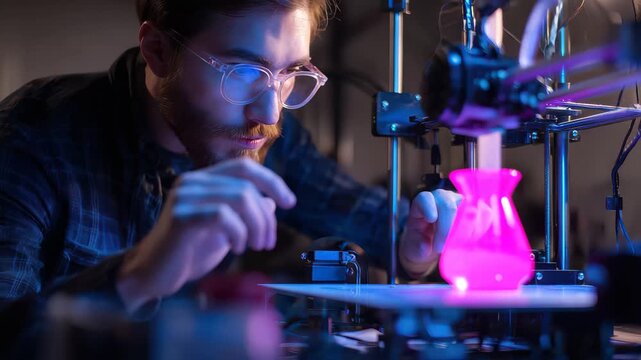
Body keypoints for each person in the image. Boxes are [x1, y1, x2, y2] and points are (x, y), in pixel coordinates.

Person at [0, 0, 459, 317]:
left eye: (290, 74)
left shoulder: (262, 134)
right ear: (158, 51)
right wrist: (137, 275)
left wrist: (414, 247)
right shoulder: (34, 139)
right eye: (242, 72)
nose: (270, 112)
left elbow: (373, 222)